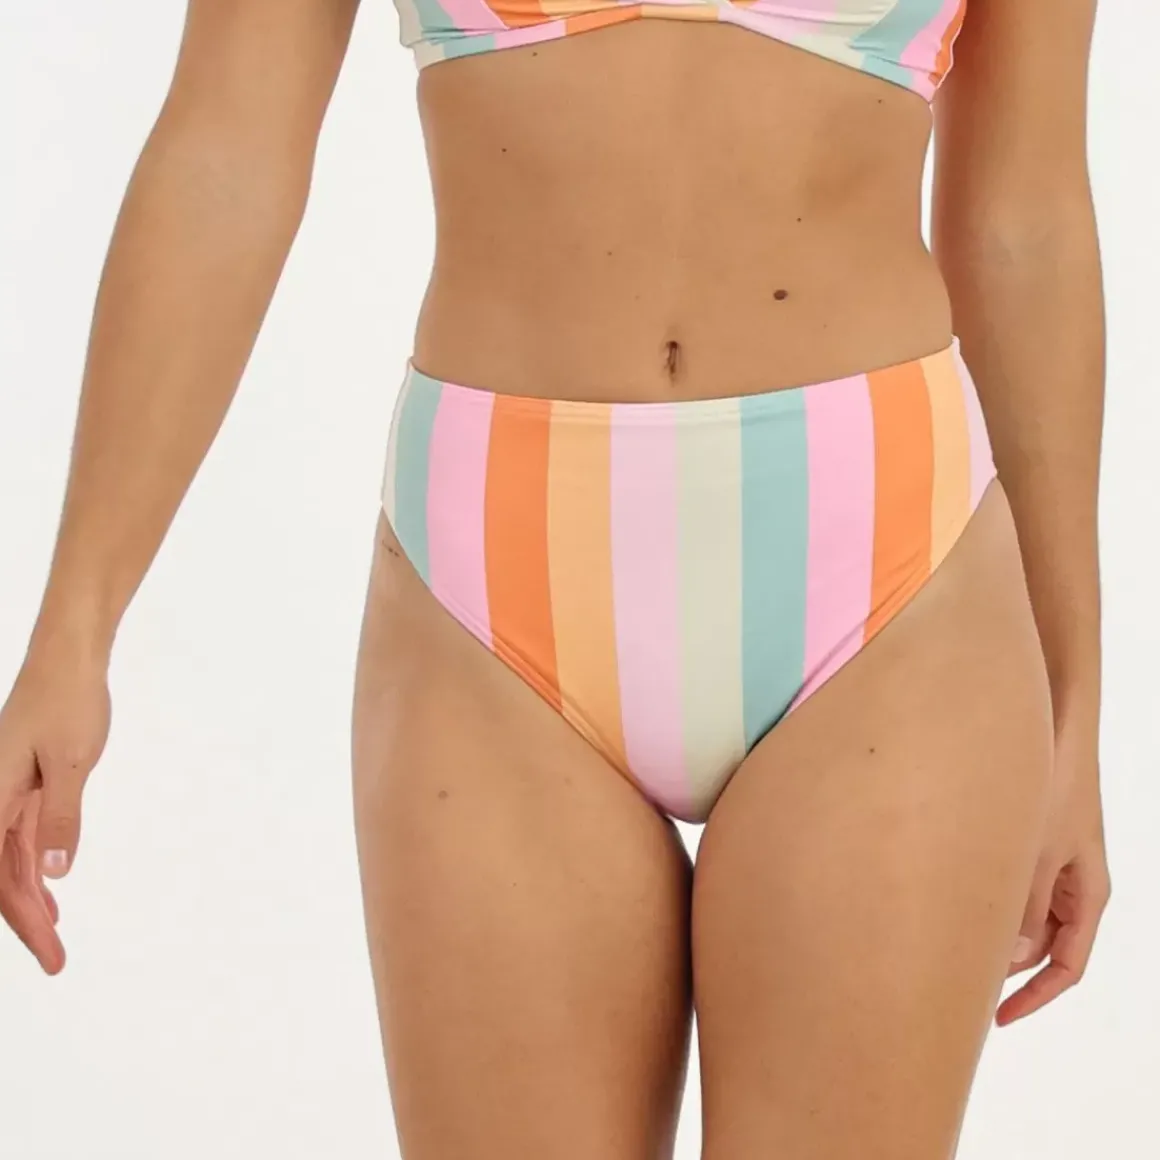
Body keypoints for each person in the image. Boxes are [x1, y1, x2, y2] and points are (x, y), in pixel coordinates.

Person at [0, 0, 1110, 1156]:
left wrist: (1074, 713)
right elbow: (226, 153)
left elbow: (1022, 219)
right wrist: (74, 627)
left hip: (890, 568)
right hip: (490, 589)